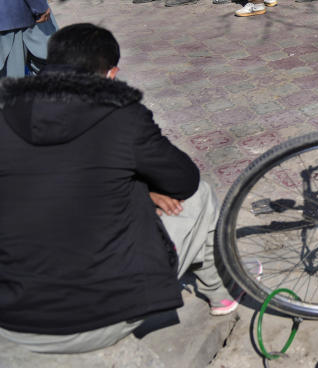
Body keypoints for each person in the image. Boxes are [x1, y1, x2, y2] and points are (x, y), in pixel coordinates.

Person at [0, 24, 237, 354]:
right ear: (111, 74)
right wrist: (144, 189)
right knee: (199, 196)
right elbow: (184, 180)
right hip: (103, 318)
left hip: (14, 317)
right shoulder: (123, 115)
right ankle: (218, 292)